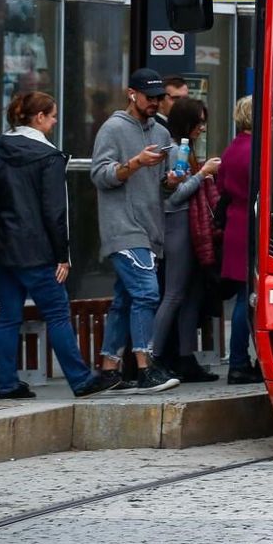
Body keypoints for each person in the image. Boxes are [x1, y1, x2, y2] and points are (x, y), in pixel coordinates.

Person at [0, 92, 120, 400]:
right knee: (58, 314)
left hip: (0, 246)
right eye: (53, 115)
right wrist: (62, 255)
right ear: (40, 118)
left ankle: (7, 384)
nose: (56, 120)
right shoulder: (47, 157)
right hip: (35, 250)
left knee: (8, 317)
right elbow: (54, 212)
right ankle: (81, 380)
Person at [89, 68, 182, 393]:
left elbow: (164, 187)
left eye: (159, 97)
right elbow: (99, 175)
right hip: (123, 227)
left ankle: (109, 369)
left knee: (125, 300)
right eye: (149, 97)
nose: (155, 102)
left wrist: (171, 181)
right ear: (132, 94)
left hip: (150, 226)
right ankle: (145, 367)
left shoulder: (161, 132)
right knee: (146, 293)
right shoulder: (112, 128)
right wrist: (135, 163)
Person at [150, 99, 221, 383]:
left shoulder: (185, 149)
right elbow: (173, 197)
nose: (202, 128)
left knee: (191, 294)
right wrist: (202, 175)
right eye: (198, 123)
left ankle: (184, 355)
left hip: (188, 226)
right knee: (175, 293)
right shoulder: (176, 149)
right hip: (177, 224)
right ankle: (152, 357)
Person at [216, 97, 261, 383]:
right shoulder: (255, 151)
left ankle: (240, 359)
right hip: (250, 228)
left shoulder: (232, 150)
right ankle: (239, 361)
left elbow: (221, 187)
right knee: (248, 299)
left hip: (235, 225)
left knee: (243, 297)